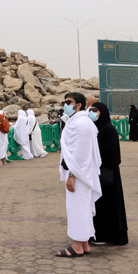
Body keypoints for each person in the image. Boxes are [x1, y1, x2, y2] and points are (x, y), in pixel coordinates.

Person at [56, 92, 102, 257]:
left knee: (78, 208)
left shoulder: (81, 123)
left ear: (79, 105)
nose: (66, 104)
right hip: (82, 173)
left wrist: (71, 175)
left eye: (69, 102)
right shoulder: (79, 121)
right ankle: (83, 244)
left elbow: (79, 153)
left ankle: (76, 246)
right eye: (65, 102)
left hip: (80, 174)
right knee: (82, 206)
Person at [90, 102, 128, 245]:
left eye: (95, 110)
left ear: (103, 112)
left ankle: (104, 235)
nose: (92, 112)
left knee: (105, 205)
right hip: (96, 172)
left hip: (106, 173)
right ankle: (96, 233)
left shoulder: (108, 129)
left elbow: (112, 155)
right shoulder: (94, 128)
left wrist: (95, 159)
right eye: (91, 109)